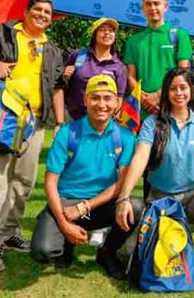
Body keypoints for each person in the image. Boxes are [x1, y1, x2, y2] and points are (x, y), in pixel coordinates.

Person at [0, 0, 66, 273]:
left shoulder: (52, 49)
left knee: (24, 182)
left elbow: (57, 87)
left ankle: (10, 232)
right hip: (1, 120)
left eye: (47, 12)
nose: (42, 15)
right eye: (38, 10)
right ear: (27, 11)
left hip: (35, 124)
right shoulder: (4, 34)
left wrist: (59, 122)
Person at [115, 68, 194, 277]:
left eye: (183, 87)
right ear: (166, 92)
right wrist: (124, 196)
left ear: (191, 90)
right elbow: (140, 158)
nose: (179, 93)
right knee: (129, 254)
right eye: (173, 89)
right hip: (160, 203)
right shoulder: (152, 123)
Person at [30, 75, 144, 278]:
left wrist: (83, 208)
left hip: (99, 206)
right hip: (65, 204)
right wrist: (64, 223)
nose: (101, 104)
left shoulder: (125, 137)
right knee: (43, 252)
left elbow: (122, 183)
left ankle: (107, 251)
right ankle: (65, 239)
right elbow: (50, 183)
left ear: (117, 102)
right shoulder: (67, 133)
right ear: (85, 100)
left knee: (135, 207)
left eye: (107, 98)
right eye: (95, 98)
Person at [123, 0, 191, 118]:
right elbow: (131, 76)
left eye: (156, 3)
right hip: (142, 113)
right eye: (148, 4)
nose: (152, 7)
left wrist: (157, 96)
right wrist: (143, 99)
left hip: (172, 110)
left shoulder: (180, 35)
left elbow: (183, 73)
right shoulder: (133, 41)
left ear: (165, 7)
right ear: (143, 8)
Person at [62, 18, 129, 121]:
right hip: (74, 118)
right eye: (102, 30)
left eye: (111, 30)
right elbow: (62, 83)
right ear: (94, 34)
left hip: (102, 122)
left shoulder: (119, 67)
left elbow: (119, 99)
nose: (107, 33)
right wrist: (65, 76)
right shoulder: (79, 55)